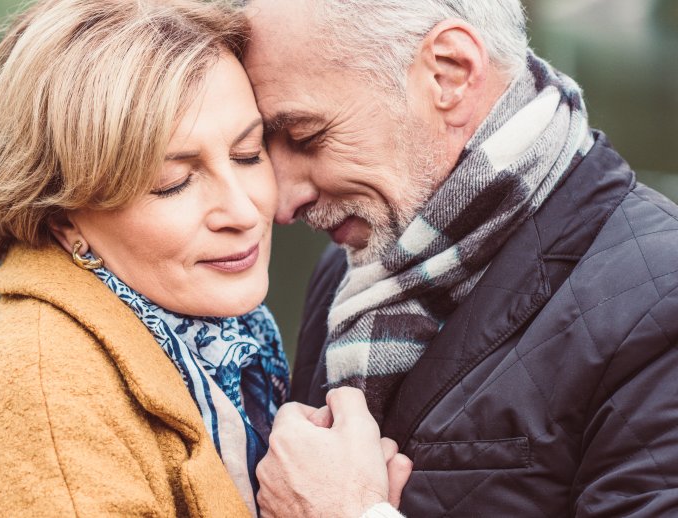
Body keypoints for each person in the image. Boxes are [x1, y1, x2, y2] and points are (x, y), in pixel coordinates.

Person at [0, 0, 411, 516]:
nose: (243, 212)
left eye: (247, 154)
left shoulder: (223, 343)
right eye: (173, 182)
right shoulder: (34, 392)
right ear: (64, 219)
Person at [243, 0, 678, 516]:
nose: (282, 203)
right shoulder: (351, 264)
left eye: (305, 137)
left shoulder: (662, 297)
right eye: (262, 148)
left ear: (450, 73)